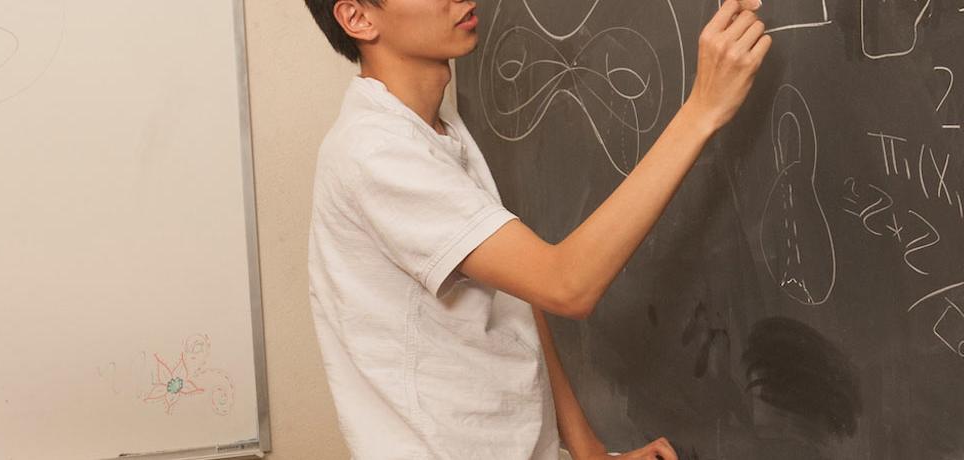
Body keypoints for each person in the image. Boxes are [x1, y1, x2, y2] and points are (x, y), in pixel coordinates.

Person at [301, 0, 771, 457]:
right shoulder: (376, 152)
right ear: (358, 17)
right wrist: (703, 110)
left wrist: (588, 451)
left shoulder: (437, 128)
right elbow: (565, 284)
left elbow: (520, 293)